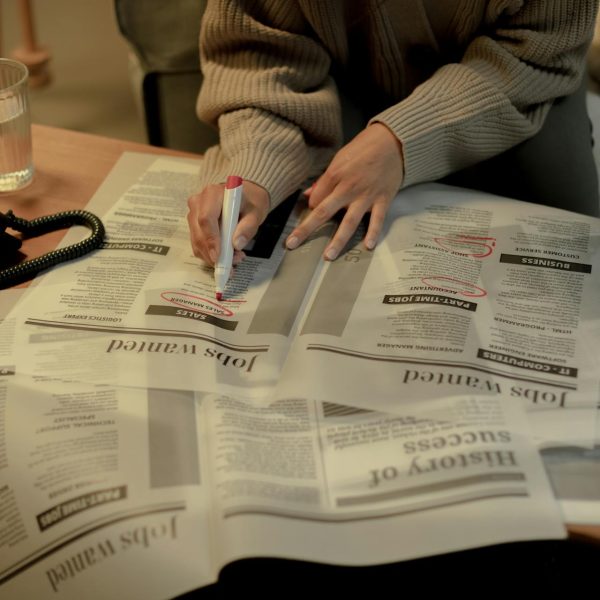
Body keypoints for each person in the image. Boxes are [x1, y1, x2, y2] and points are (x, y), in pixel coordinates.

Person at [187, 0, 599, 267]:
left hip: (521, 82)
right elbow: (259, 57)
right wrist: (255, 170)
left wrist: (403, 140)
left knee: (571, 255)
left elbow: (537, 51)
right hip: (340, 77)